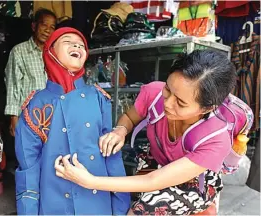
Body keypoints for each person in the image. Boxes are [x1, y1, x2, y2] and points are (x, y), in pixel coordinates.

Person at [54, 50, 245, 215]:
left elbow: (152, 180)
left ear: (206, 109)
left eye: (180, 103)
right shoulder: (153, 94)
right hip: (158, 160)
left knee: (147, 205)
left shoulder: (216, 139)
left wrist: (90, 181)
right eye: (168, 89)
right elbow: (128, 118)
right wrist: (120, 131)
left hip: (196, 179)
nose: (168, 104)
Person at [15, 27, 130, 215]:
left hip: (96, 202)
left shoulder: (98, 98)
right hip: (54, 203)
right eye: (67, 41)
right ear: (50, 51)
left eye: (81, 44)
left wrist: (121, 209)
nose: (77, 45)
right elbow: (29, 167)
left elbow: (111, 154)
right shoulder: (36, 104)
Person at [4, 8, 57, 137]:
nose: (47, 30)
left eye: (52, 27)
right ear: (34, 26)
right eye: (44, 25)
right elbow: (13, 86)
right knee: (28, 155)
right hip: (28, 118)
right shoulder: (19, 51)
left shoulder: (55, 54)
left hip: (53, 118)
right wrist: (14, 118)